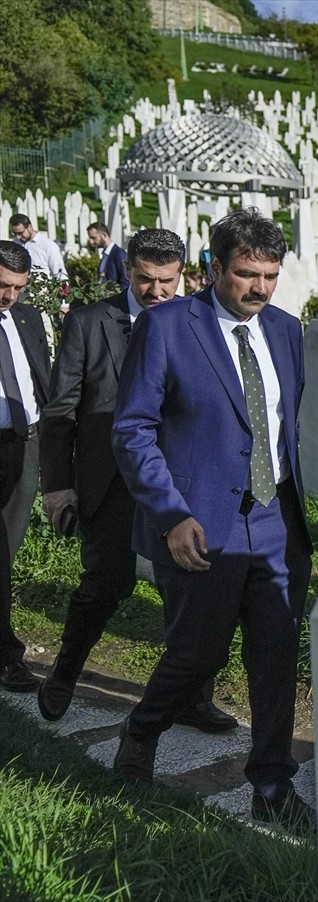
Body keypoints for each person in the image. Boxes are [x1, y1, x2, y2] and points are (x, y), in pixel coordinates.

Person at [110, 208, 314, 835]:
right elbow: (133, 429)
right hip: (200, 522)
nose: (259, 288)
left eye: (271, 275)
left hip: (276, 517)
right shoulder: (169, 327)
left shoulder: (284, 329)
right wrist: (171, 513)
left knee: (277, 653)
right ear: (213, 268)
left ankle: (273, 785)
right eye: (246, 274)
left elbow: (281, 424)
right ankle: (142, 730)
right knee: (198, 653)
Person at [38, 229, 236, 732]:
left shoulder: (197, 320)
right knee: (104, 584)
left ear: (184, 274)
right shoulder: (88, 323)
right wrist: (57, 485)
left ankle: (194, 697)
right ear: (128, 270)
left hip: (178, 479)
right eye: (145, 280)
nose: (156, 292)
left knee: (191, 588)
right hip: (110, 479)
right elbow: (60, 412)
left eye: (167, 282)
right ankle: (64, 673)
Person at [0, 241, 51, 693]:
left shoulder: (28, 317)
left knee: (7, 549)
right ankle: (8, 657)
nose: (8, 296)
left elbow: (42, 380)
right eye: (1, 285)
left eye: (17, 287)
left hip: (27, 441)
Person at [9, 213, 66, 279]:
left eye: (20, 233)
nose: (18, 237)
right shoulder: (14, 245)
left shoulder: (48, 246)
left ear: (29, 227)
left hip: (43, 287)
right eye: (15, 234)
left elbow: (59, 272)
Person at [86, 222, 129, 292]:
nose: (91, 242)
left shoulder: (119, 254)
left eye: (93, 238)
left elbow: (126, 280)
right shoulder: (106, 254)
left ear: (104, 235)